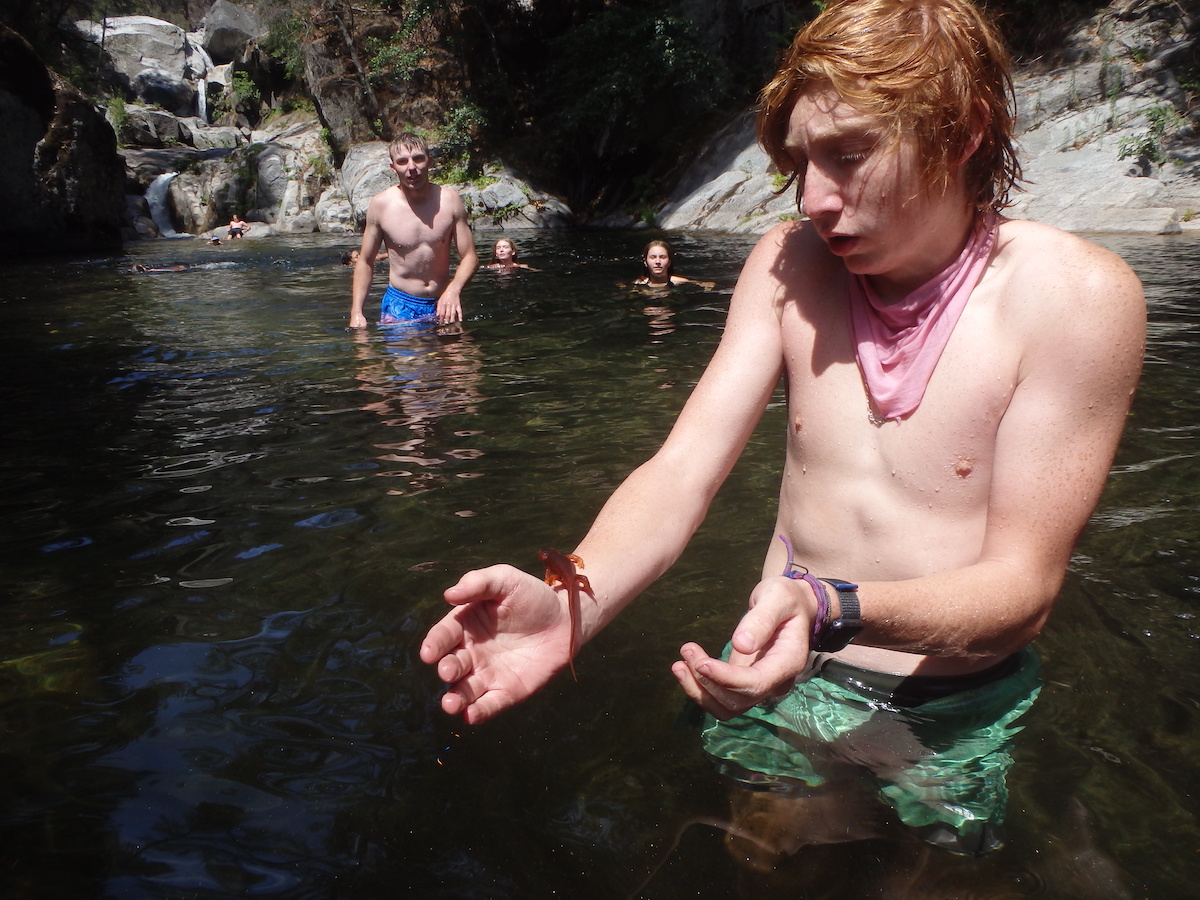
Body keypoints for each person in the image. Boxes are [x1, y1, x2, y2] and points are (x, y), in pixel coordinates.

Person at [420, 0, 1145, 859]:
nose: (813, 198)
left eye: (850, 154)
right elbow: (682, 470)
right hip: (773, 668)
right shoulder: (787, 265)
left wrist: (827, 605)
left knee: (944, 881)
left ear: (963, 133)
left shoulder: (1075, 299)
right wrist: (573, 604)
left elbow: (1024, 589)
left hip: (949, 702)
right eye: (800, 163)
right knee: (757, 859)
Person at [348, 132, 478, 328]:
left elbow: (470, 256)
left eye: (418, 159)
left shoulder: (450, 201)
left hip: (445, 302)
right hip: (400, 305)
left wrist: (454, 289)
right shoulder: (381, 205)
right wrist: (356, 312)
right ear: (393, 167)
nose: (411, 167)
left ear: (430, 161)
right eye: (402, 161)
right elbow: (366, 261)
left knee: (461, 349)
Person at [633, 239, 714, 289]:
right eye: (653, 257)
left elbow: (707, 284)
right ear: (645, 262)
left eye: (662, 257)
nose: (657, 261)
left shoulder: (679, 282)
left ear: (669, 261)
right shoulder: (637, 285)